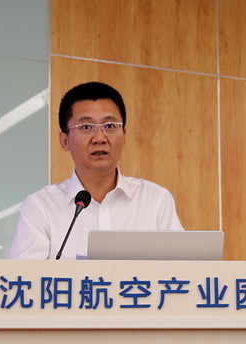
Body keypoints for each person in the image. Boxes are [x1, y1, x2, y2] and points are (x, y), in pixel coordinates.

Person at [10, 81, 183, 260]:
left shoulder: (155, 201)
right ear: (64, 141)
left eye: (110, 126)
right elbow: (24, 276)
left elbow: (184, 270)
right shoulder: (40, 208)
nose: (99, 138)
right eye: (86, 127)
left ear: (124, 136)